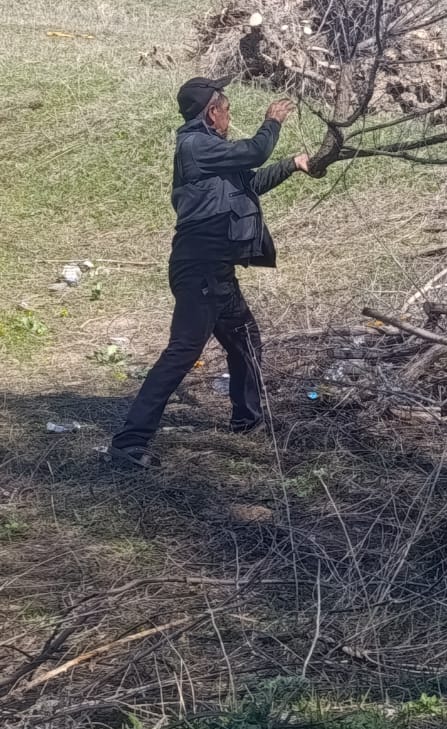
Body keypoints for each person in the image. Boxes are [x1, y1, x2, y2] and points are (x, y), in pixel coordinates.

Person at [107, 76, 310, 469]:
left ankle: (246, 422)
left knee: (245, 340)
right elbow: (254, 152)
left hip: (217, 270)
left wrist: (293, 165)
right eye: (227, 109)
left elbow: (251, 182)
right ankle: (129, 443)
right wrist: (273, 121)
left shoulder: (212, 152)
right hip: (199, 267)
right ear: (212, 112)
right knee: (183, 351)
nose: (230, 117)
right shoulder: (196, 146)